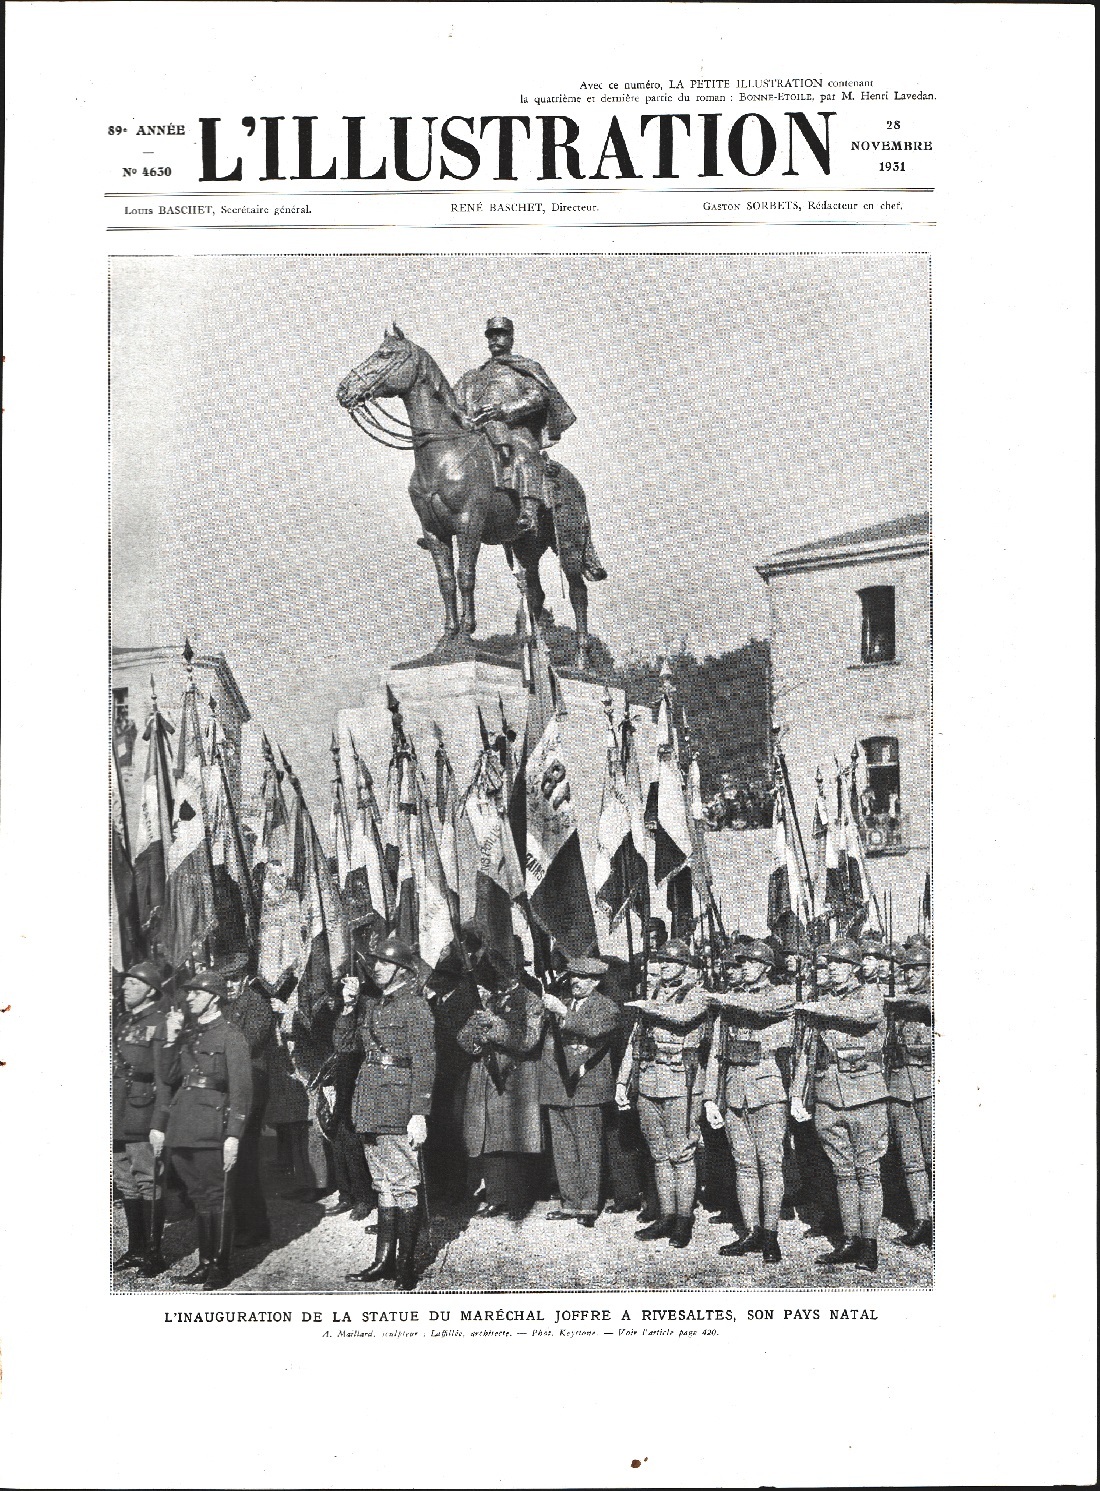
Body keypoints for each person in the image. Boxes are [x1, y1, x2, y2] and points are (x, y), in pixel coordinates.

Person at [336, 935, 435, 1289]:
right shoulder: (374, 1005)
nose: (376, 968)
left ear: (403, 969)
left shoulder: (415, 1006)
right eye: (374, 962)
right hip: (370, 1101)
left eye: (384, 963)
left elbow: (425, 1062)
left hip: (398, 1104)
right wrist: (348, 1007)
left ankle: (406, 1265)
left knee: (404, 1185)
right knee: (384, 1187)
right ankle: (383, 1261)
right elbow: (345, 1046)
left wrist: (419, 1112)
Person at [151, 971, 252, 1291]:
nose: (189, 998)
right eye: (189, 993)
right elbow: (167, 1077)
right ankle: (205, 1263)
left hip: (212, 1128)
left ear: (214, 998)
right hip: (183, 1126)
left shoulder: (231, 1035)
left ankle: (220, 1268)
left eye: (196, 993)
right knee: (198, 1197)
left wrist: (234, 1134)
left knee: (217, 1197)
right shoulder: (188, 1034)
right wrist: (170, 1037)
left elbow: (242, 1090)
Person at [702, 940, 795, 1264]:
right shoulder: (730, 1003)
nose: (742, 968)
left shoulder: (781, 994)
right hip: (733, 1090)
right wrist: (710, 1098)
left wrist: (724, 999)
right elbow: (717, 1053)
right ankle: (751, 1231)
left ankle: (771, 1235)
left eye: (749, 963)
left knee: (770, 1164)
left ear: (766, 968)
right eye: (740, 963)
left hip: (767, 1090)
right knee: (743, 1164)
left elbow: (763, 1010)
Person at [801, 937, 890, 1272]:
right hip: (828, 1094)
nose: (833, 969)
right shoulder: (822, 1000)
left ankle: (869, 1244)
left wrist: (819, 1008)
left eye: (839, 964)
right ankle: (850, 1240)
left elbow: (865, 1016)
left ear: (854, 967)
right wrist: (800, 1093)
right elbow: (809, 1052)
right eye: (830, 964)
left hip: (865, 1093)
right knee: (842, 1172)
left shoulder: (869, 993)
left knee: (868, 1172)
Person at [616, 938, 709, 1247]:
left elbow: (683, 1016)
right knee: (658, 1154)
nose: (664, 965)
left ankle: (684, 1219)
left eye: (671, 961)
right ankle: (666, 1216)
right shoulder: (654, 993)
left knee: (681, 1154)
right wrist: (622, 1082)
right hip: (649, 1081)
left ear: (685, 966)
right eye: (662, 961)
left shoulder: (697, 994)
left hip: (681, 1082)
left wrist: (648, 1005)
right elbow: (635, 1041)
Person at [455, 969, 546, 1220]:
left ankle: (519, 1198)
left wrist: (494, 1026)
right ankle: (496, 1197)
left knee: (514, 1139)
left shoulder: (531, 1001)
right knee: (488, 1139)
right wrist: (477, 1032)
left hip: (515, 1078)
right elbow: (463, 1040)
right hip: (484, 1076)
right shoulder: (486, 1000)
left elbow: (528, 1040)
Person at [540, 954, 622, 1227]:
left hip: (587, 1087)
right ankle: (570, 1202)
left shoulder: (606, 1007)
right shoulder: (562, 1003)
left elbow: (594, 1031)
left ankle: (588, 1206)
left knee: (588, 1148)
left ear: (596, 981)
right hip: (559, 1087)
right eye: (573, 976)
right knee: (563, 1148)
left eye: (583, 977)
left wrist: (562, 1013)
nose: (575, 981)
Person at [113, 961, 169, 1277]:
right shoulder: (122, 1022)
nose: (124, 988)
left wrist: (159, 1122)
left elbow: (165, 1078)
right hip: (117, 1112)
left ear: (149, 990)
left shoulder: (160, 1023)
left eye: (132, 984)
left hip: (141, 1110)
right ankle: (135, 1249)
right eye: (125, 984)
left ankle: (153, 1253)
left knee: (148, 1180)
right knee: (124, 1180)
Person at [223, 966, 276, 1248]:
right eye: (225, 980)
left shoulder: (257, 1004)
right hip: (231, 1087)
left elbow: (250, 1043)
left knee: (244, 1158)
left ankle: (255, 1226)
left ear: (244, 978)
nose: (228, 985)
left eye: (233, 979)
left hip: (251, 1086)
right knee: (234, 1161)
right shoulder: (227, 1004)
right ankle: (242, 1222)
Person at [885, 943, 934, 1247]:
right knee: (911, 1160)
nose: (910, 974)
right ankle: (922, 1220)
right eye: (905, 970)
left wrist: (906, 1001)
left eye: (916, 969)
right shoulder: (898, 1003)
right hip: (901, 1087)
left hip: (929, 1086)